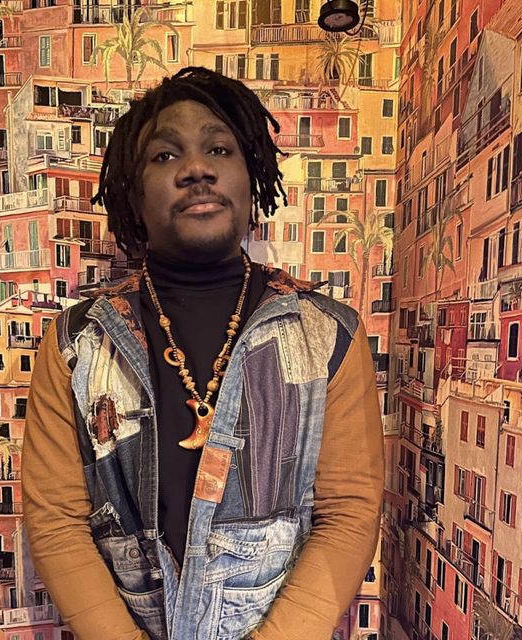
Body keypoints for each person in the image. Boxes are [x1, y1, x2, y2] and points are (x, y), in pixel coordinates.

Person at [22, 67, 384, 640]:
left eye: (219, 149)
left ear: (252, 175)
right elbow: (57, 522)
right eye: (165, 156)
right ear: (134, 194)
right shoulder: (77, 342)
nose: (196, 169)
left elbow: (348, 513)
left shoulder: (328, 335)